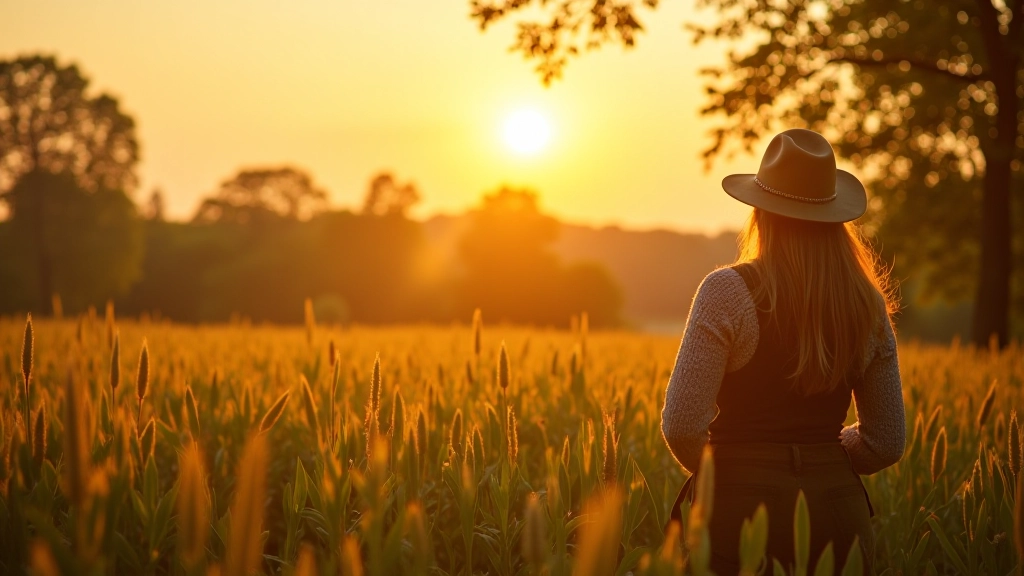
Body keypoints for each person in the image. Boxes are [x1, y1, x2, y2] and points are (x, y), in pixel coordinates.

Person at [660, 128, 905, 574]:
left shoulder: (726, 292)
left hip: (741, 507)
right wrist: (820, 457)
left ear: (761, 213)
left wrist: (735, 470)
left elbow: (681, 426)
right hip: (839, 512)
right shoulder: (868, 305)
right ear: (836, 219)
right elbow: (886, 442)